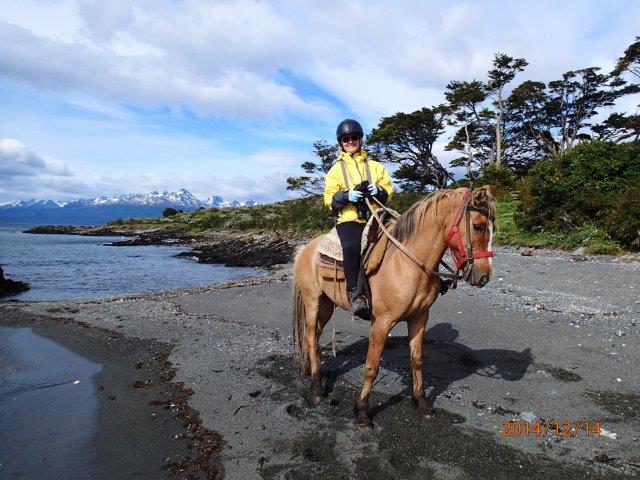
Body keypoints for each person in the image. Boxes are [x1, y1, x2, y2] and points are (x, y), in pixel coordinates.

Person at [323, 119, 393, 318]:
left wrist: (378, 190)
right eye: (346, 139)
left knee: (405, 234)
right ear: (341, 143)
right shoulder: (335, 170)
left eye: (354, 137)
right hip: (350, 218)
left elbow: (388, 190)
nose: (350, 141)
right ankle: (355, 293)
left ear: (360, 139)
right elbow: (328, 198)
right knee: (351, 246)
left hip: (377, 216)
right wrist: (347, 196)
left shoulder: (376, 166)